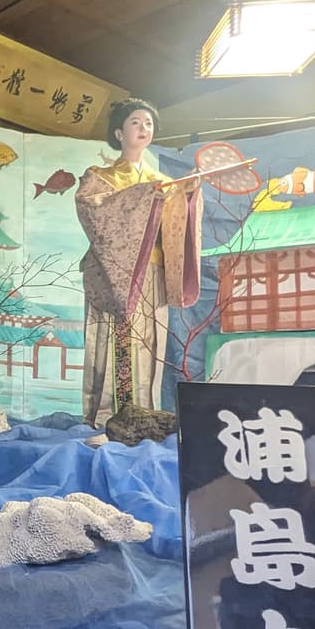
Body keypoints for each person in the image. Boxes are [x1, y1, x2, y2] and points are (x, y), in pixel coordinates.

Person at [74, 98, 203, 427]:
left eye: (148, 123)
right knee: (117, 343)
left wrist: (186, 196)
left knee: (149, 349)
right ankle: (109, 418)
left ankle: (142, 415)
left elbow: (174, 228)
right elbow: (94, 211)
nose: (144, 128)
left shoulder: (161, 180)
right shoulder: (100, 177)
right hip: (117, 273)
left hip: (152, 272)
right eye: (135, 122)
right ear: (118, 132)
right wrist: (145, 197)